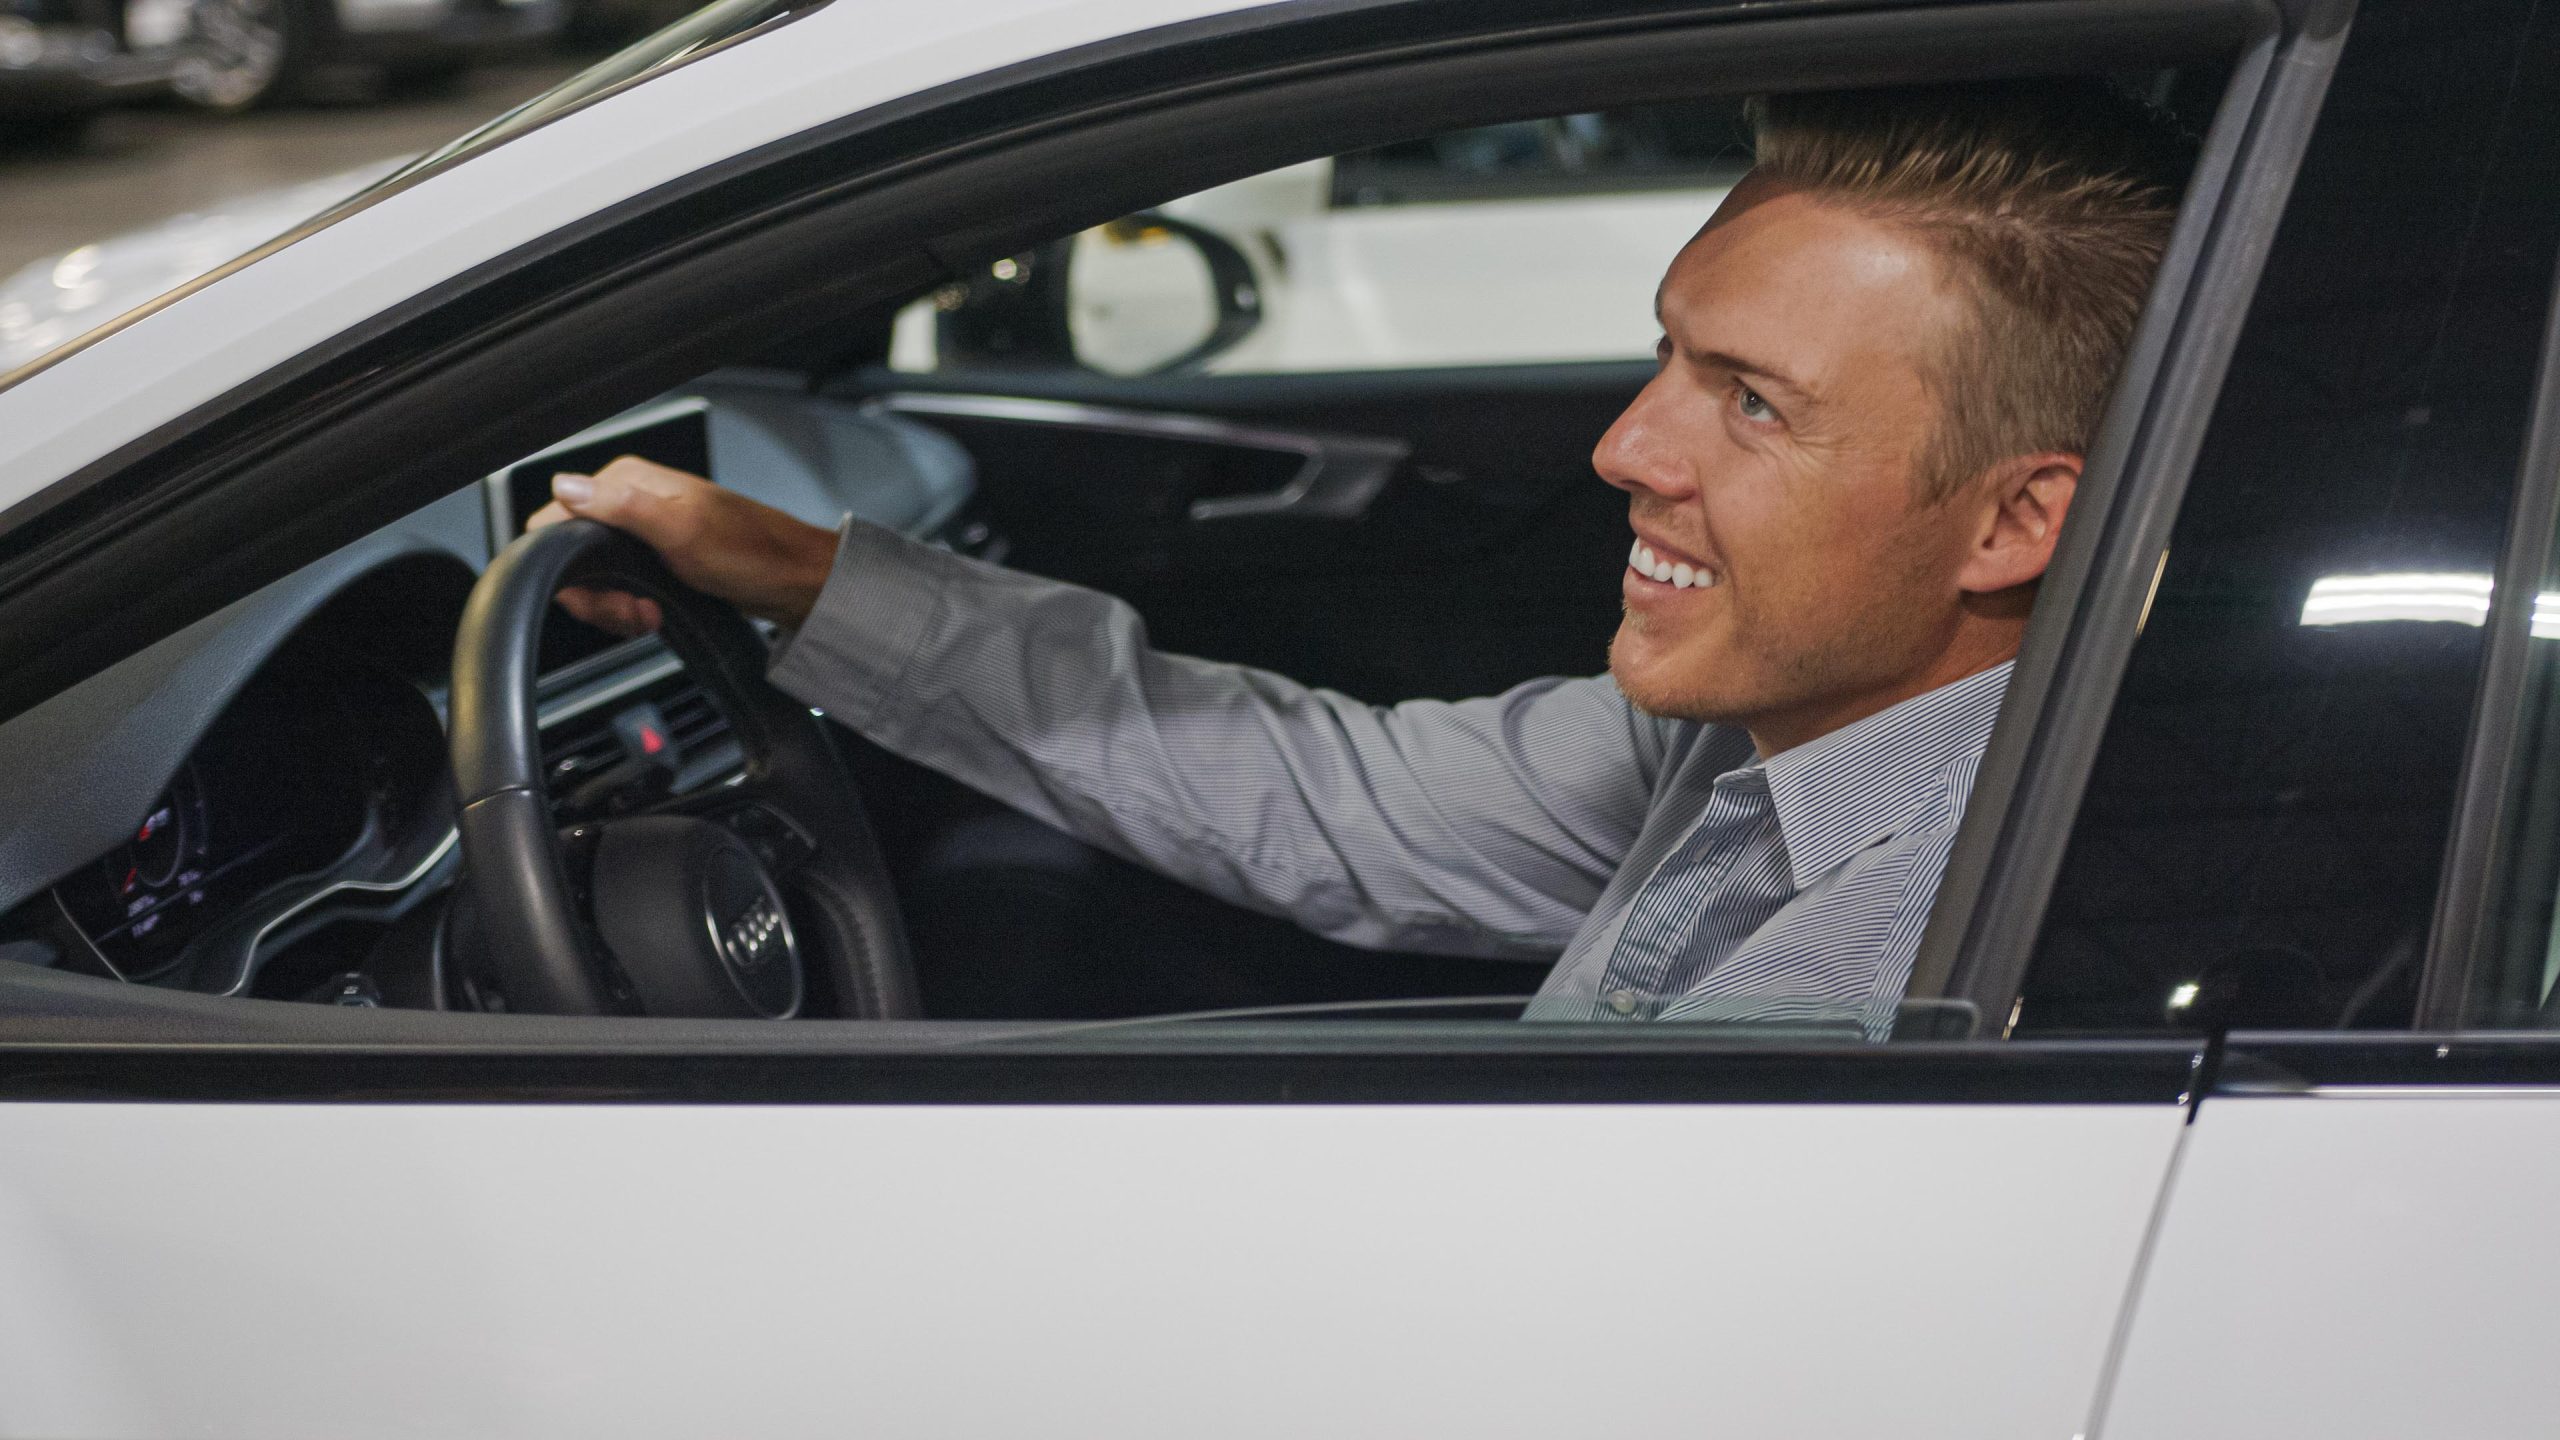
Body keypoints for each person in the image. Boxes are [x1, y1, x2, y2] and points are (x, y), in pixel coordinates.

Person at [530, 80, 2195, 1032]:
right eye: (1669, 359)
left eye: (1753, 405)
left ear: (2016, 522)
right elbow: (1337, 803)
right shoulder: (1759, 738)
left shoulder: (1952, 951)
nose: (1626, 449)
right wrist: (802, 575)